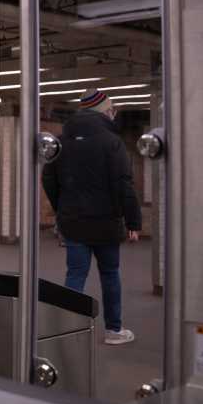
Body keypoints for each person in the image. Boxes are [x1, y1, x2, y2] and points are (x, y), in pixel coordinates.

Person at [41, 88, 141, 345]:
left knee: (75, 273)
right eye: (111, 109)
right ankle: (113, 330)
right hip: (106, 222)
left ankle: (66, 331)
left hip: (72, 221)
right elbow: (123, 184)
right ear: (105, 111)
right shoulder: (112, 142)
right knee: (109, 273)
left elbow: (48, 179)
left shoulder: (61, 141)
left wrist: (62, 208)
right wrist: (133, 221)